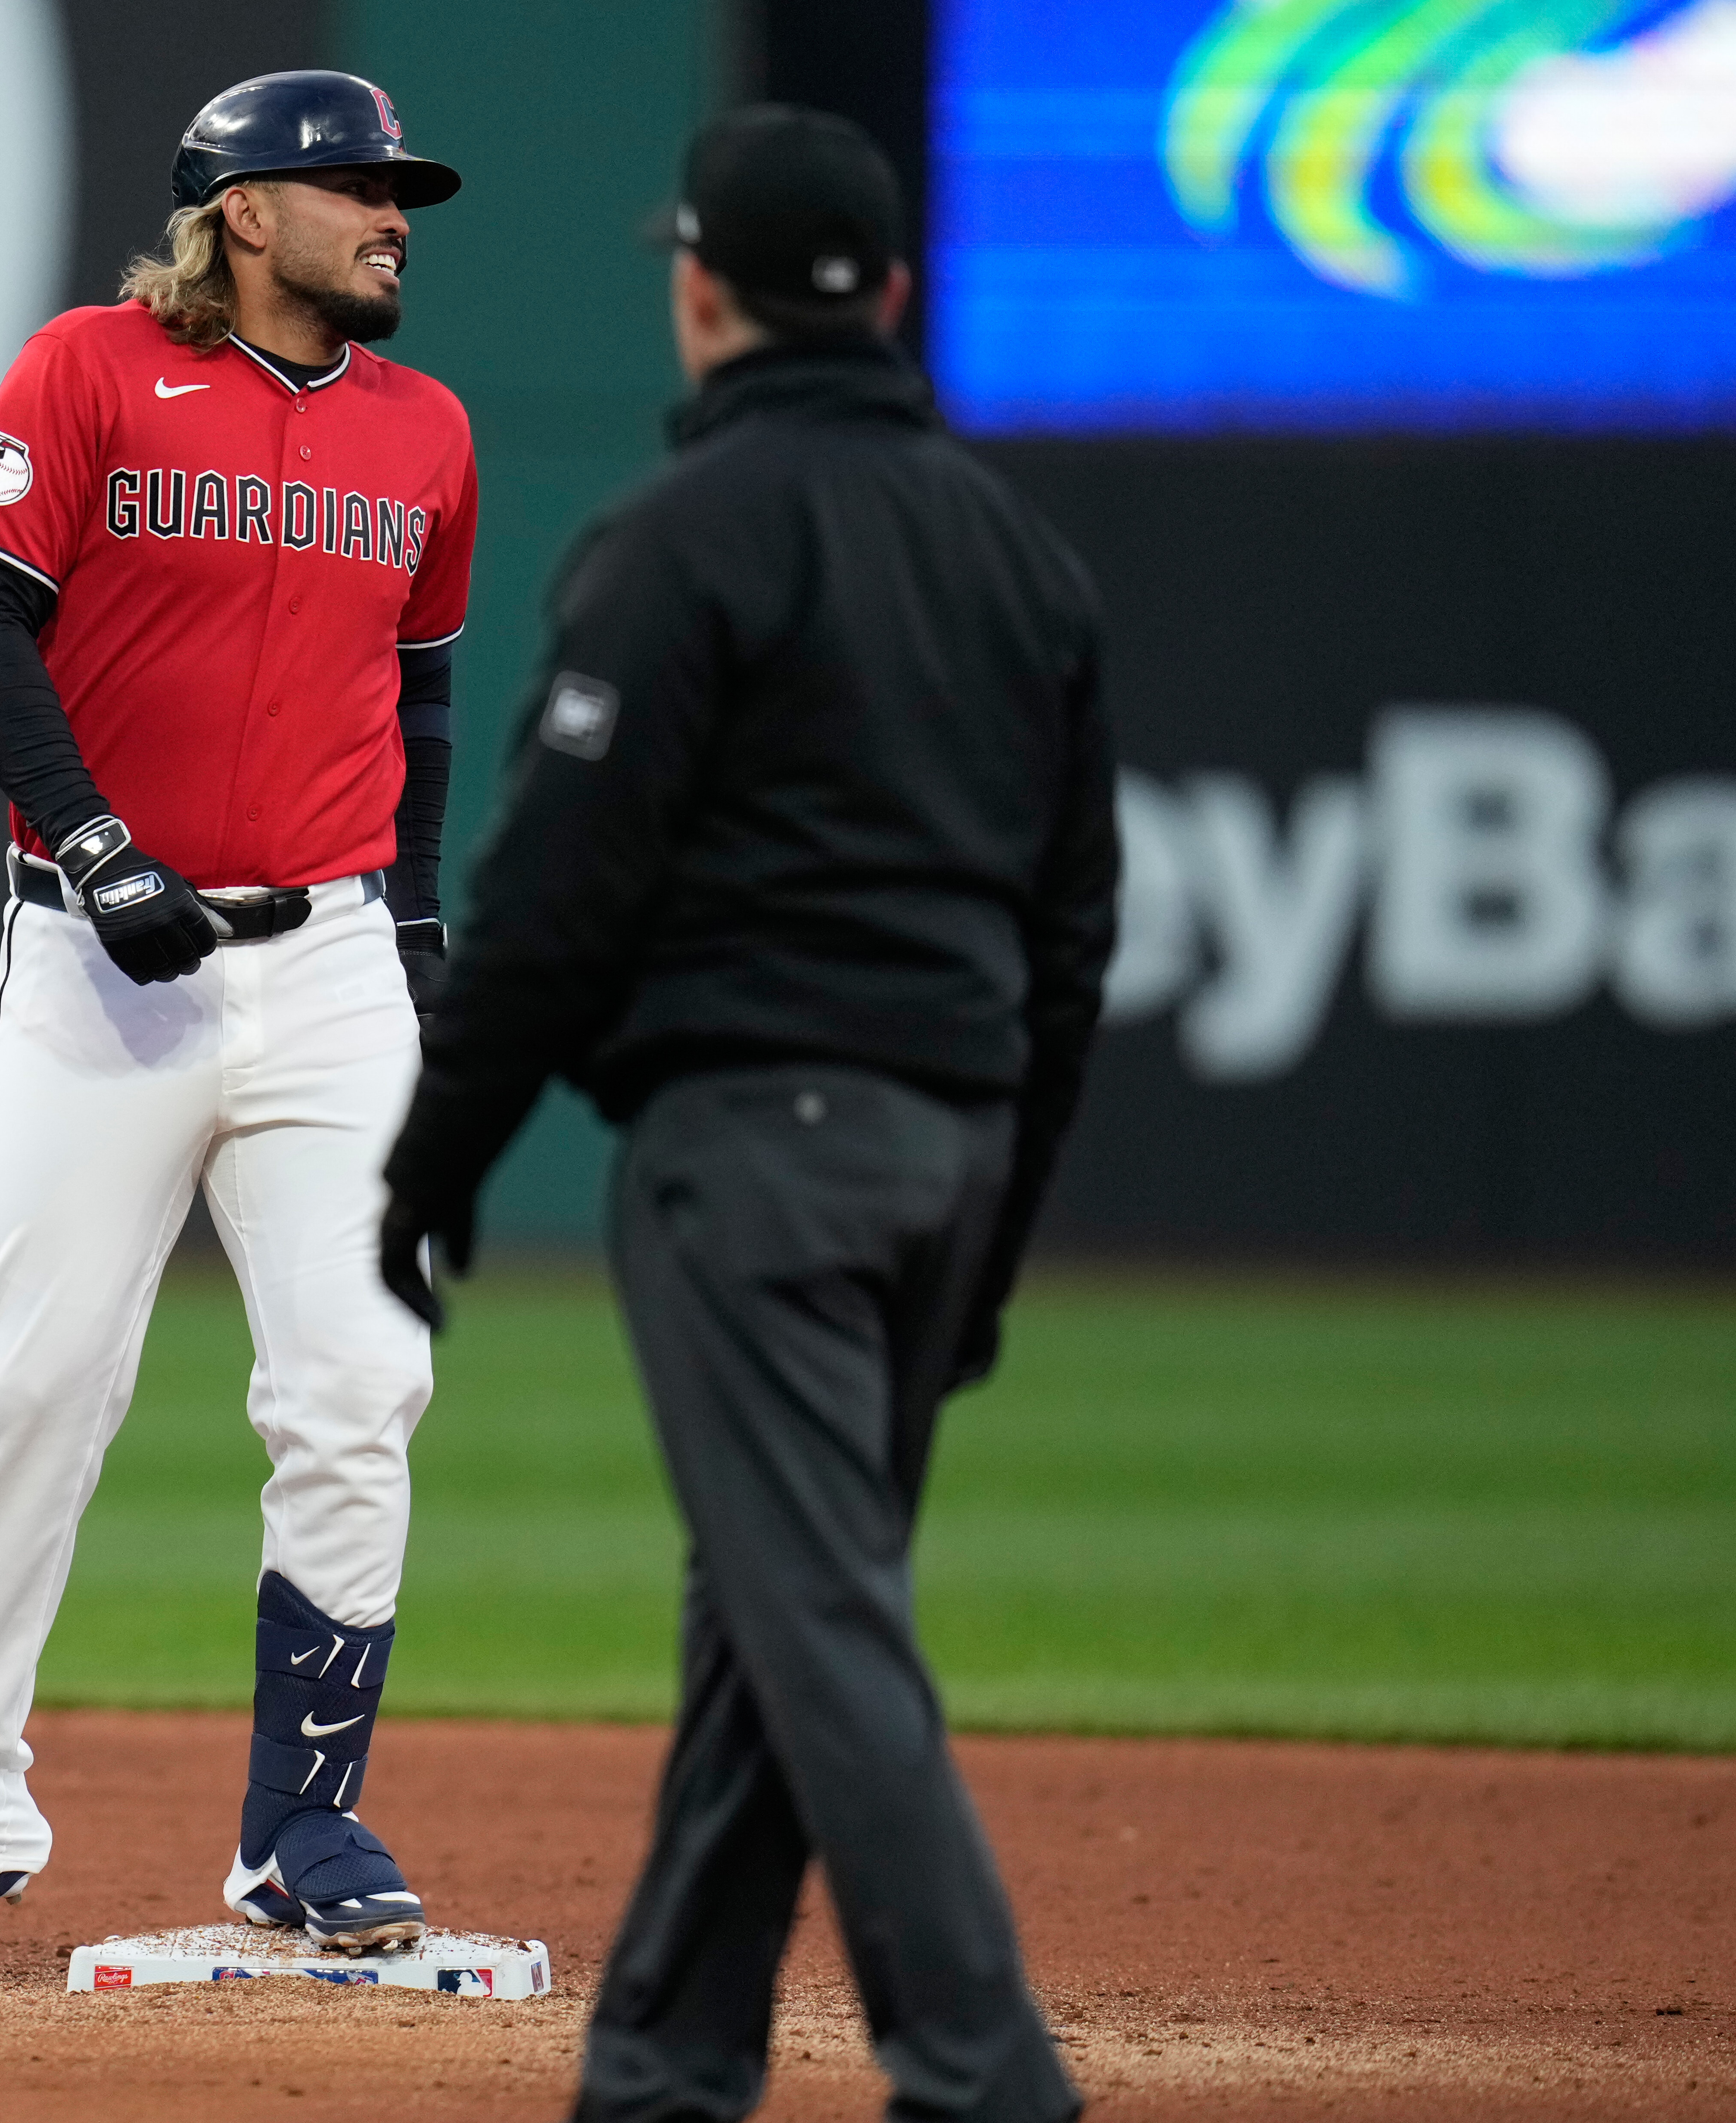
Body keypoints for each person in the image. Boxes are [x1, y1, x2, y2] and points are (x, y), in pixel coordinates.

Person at [381, 106, 1112, 2123]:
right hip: (949, 1146)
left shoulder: (681, 538)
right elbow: (1074, 940)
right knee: (763, 1622)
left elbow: (550, 902)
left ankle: (984, 2071)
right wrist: (1001, 1233)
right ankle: (666, 2064)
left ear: (698, 290)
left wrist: (433, 1170)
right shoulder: (1018, 557)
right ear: (883, 295)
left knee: (812, 1619)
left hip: (755, 1161)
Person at [0, 70, 478, 1990]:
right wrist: (97, 844)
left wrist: (422, 935)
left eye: (398, 188)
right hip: (106, 961)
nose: (394, 215)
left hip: (338, 964)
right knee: (36, 1382)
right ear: (246, 212)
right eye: (358, 185)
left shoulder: (426, 428)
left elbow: (422, 702)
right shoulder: (92, 370)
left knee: (362, 1388)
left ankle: (304, 1819)